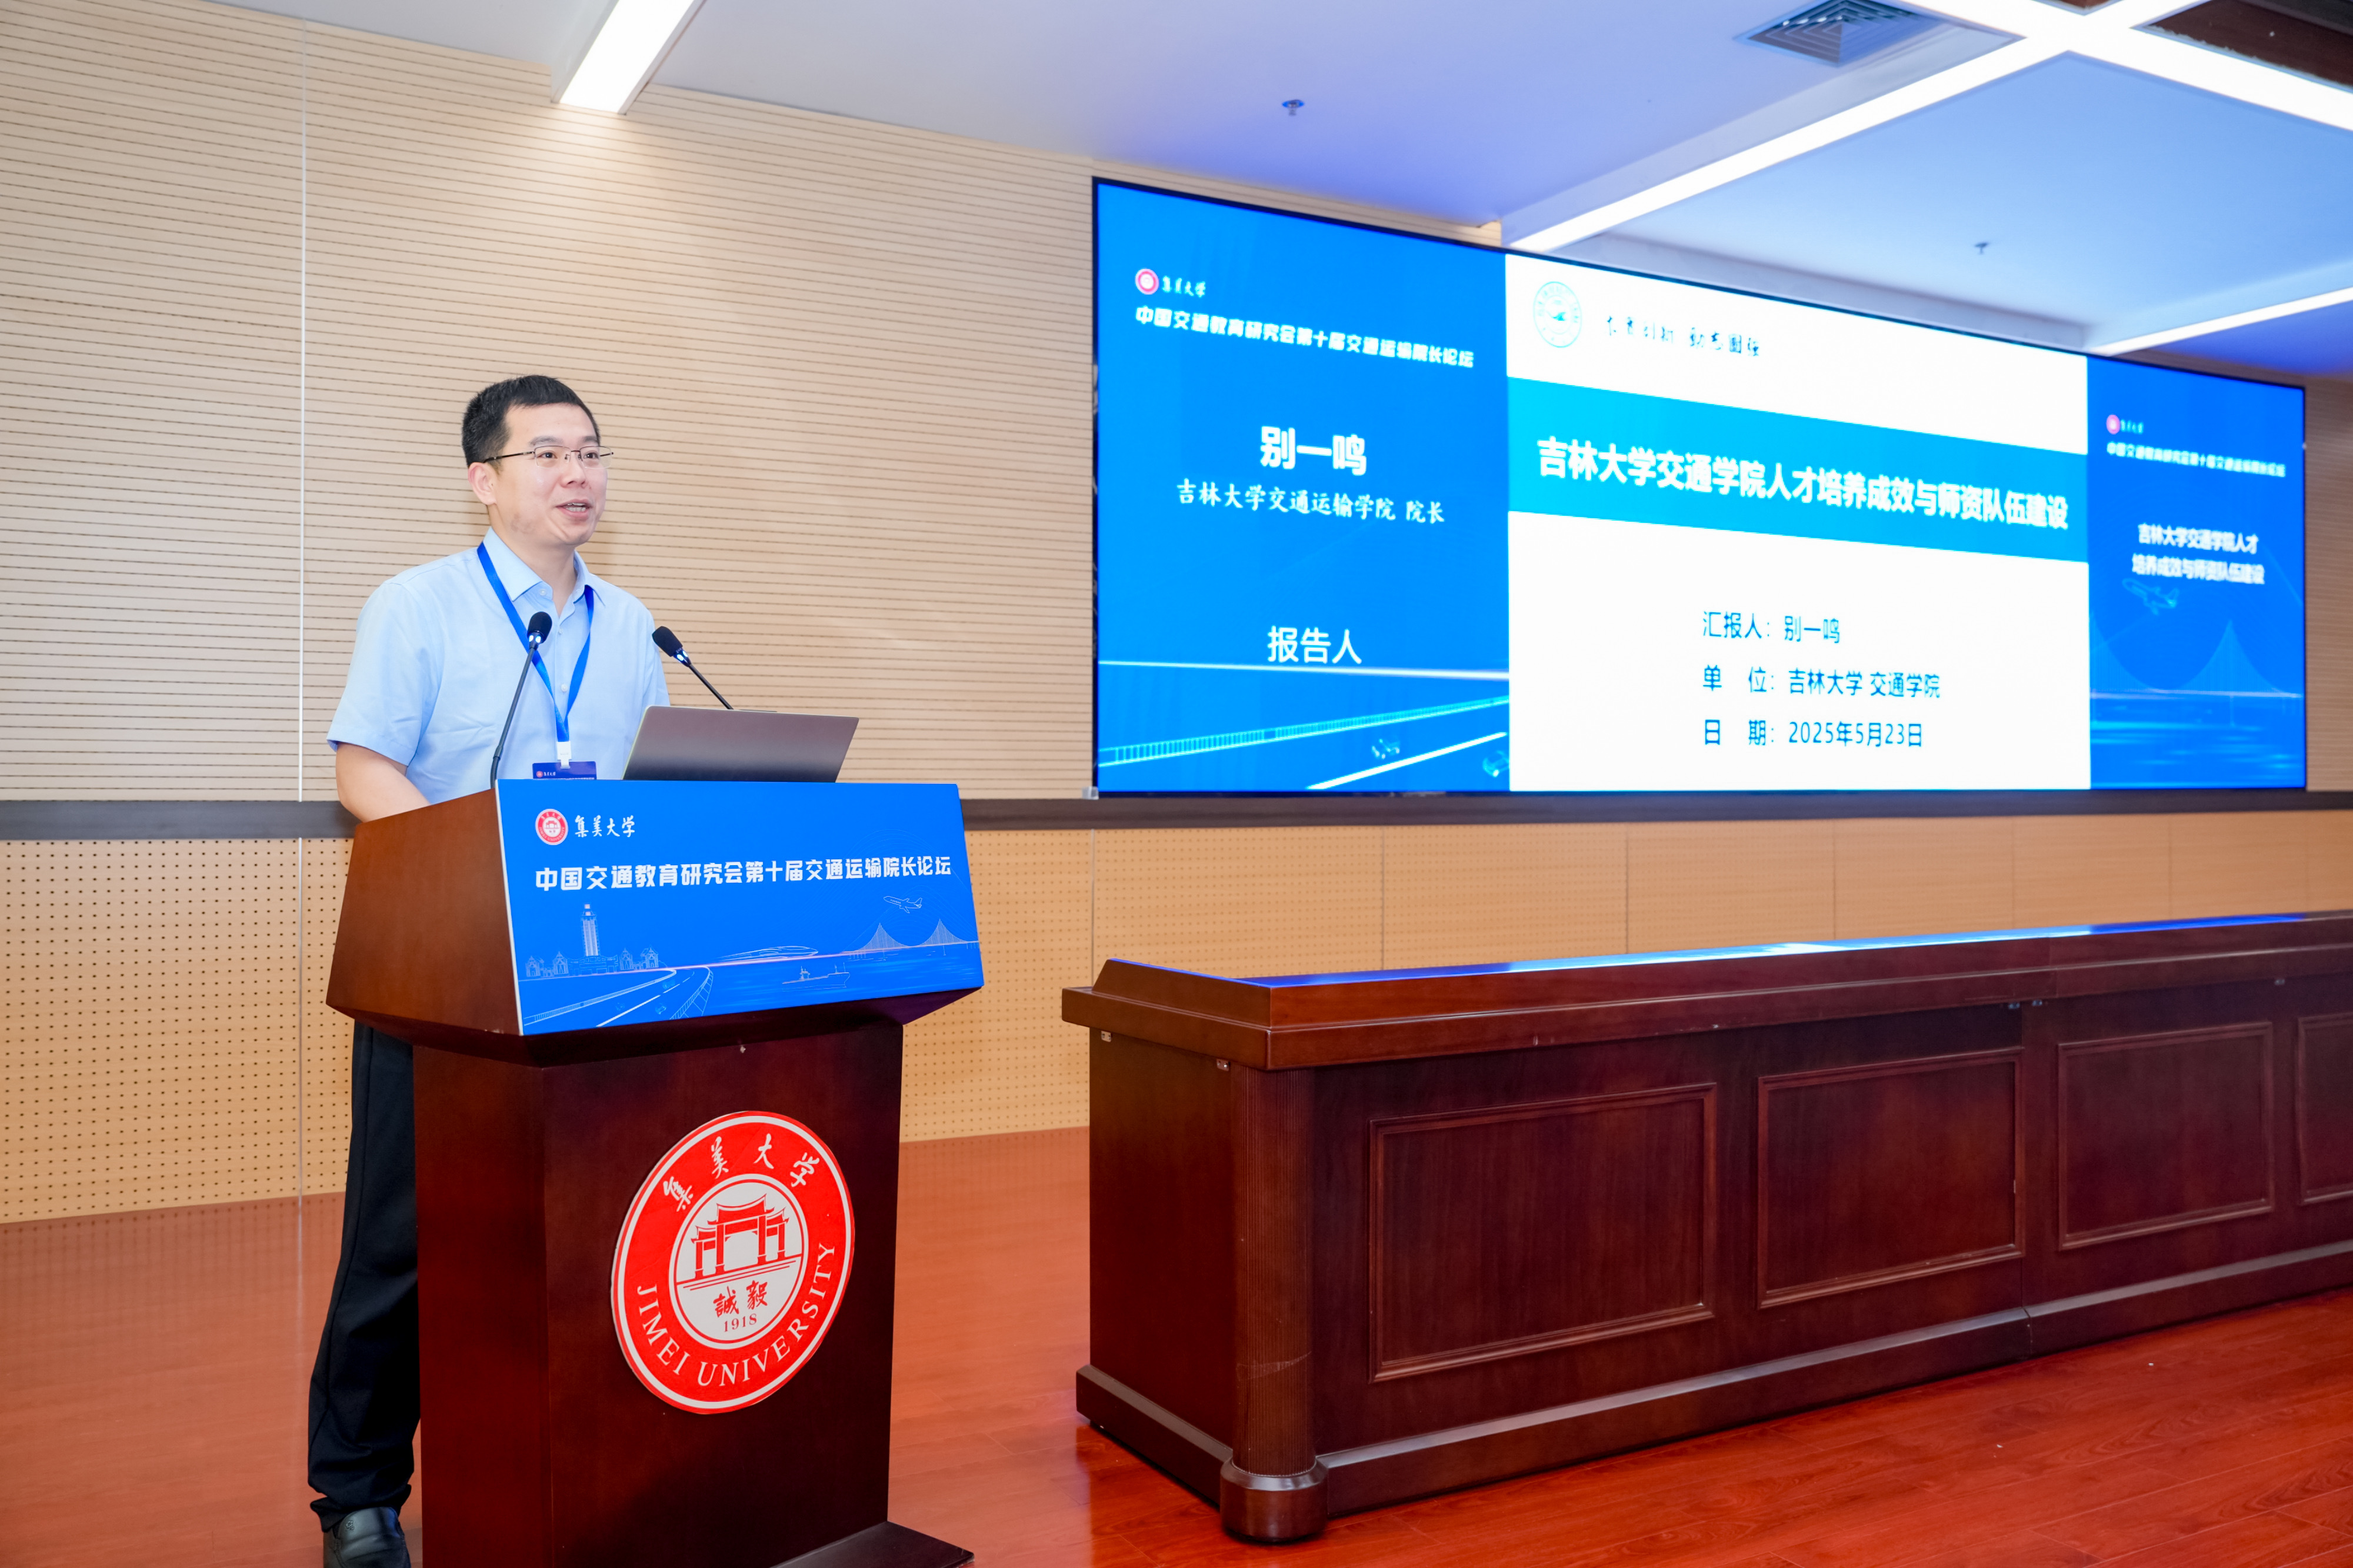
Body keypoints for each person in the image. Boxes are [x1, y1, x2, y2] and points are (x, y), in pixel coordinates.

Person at [308, 375, 670, 1568]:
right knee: (402, 1237)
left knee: (588, 1219)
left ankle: (584, 1454)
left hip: (598, 969)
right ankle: (358, 1492)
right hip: (445, 964)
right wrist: (478, 875)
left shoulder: (631, 625)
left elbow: (657, 790)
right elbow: (365, 769)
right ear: (484, 480)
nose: (578, 473)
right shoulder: (417, 605)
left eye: (592, 452)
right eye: (548, 453)